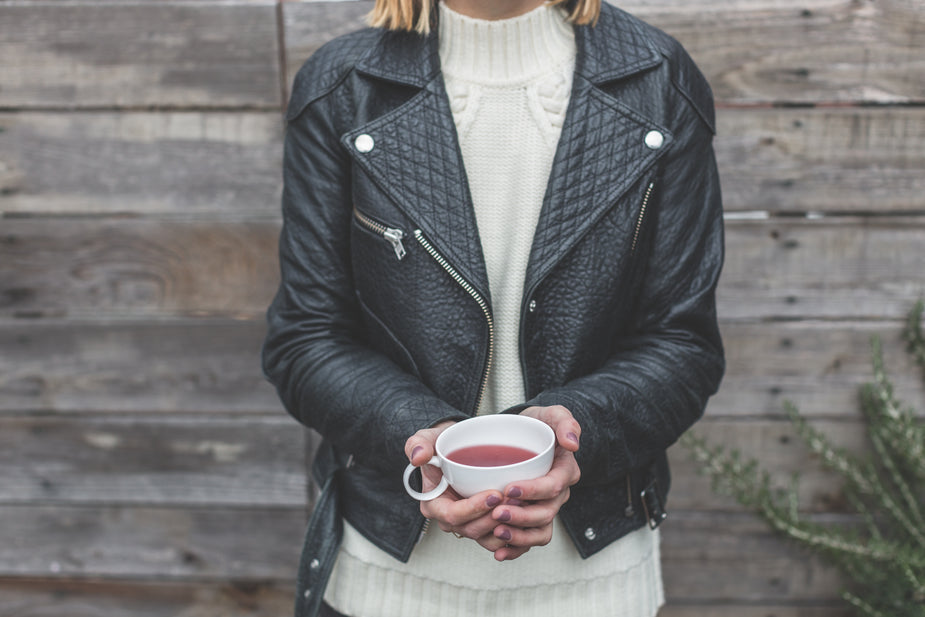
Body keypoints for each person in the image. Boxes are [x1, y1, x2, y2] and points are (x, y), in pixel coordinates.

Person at [262, 0, 725, 615]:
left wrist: (573, 434)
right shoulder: (344, 85)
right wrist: (420, 436)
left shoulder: (657, 77)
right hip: (386, 577)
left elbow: (683, 343)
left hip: (595, 582)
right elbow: (306, 340)